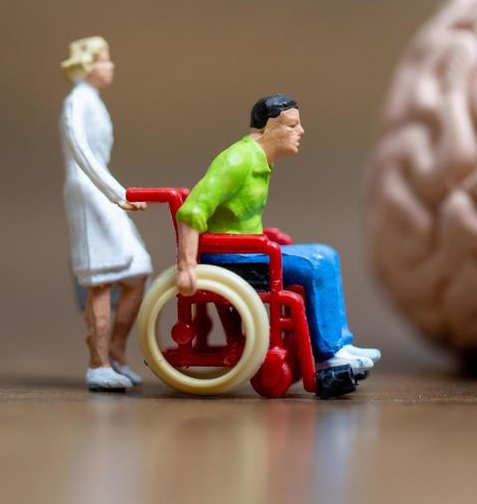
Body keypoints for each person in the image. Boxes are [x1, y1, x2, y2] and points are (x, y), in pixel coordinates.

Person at [174, 94, 380, 373]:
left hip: (251, 249)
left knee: (326, 255)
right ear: (268, 128)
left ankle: (338, 344)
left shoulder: (262, 160)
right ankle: (328, 354)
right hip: (234, 258)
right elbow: (192, 211)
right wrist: (186, 266)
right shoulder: (237, 161)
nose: (301, 132)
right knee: (318, 262)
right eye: (292, 125)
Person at [59, 36, 152, 392]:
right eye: (104, 59)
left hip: (104, 192)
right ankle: (97, 364)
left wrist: (115, 193)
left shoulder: (92, 101)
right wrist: (117, 194)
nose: (110, 66)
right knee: (101, 277)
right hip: (89, 194)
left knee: (138, 269)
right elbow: (81, 151)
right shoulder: (76, 102)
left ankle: (115, 352)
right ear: (88, 65)